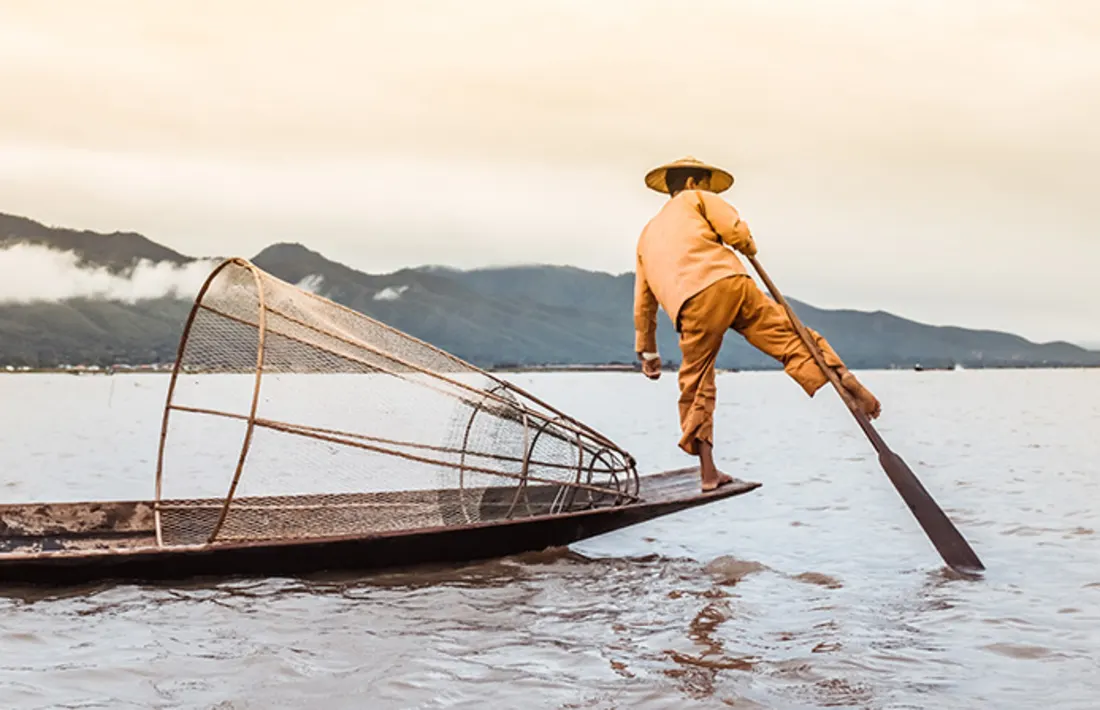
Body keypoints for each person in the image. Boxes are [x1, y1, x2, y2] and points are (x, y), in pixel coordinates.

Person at [633, 156, 882, 492]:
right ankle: (849, 386)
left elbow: (644, 302)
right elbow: (734, 230)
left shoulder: (646, 235)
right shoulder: (698, 199)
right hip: (730, 281)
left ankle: (708, 474)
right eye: (706, 184)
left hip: (690, 305)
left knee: (697, 384)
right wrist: (747, 244)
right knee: (793, 338)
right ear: (693, 183)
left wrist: (647, 351)